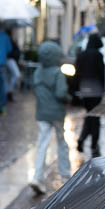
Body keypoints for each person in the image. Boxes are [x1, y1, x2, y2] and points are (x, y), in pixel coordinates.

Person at [29, 41, 71, 195]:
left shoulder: (37, 72)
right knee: (62, 142)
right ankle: (66, 176)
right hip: (56, 113)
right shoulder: (57, 73)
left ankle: (37, 177)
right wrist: (68, 97)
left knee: (42, 144)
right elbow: (61, 94)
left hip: (41, 113)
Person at [75, 33, 105, 156]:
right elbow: (101, 72)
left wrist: (76, 89)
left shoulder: (81, 55)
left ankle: (83, 140)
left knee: (90, 115)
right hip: (96, 90)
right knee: (95, 117)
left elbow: (76, 73)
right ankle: (93, 144)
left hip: (84, 90)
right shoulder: (98, 55)